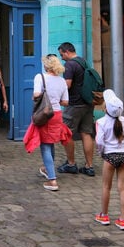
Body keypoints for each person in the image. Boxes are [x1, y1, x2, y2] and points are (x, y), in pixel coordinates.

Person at [22, 54, 72, 191]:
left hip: (44, 114)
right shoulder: (62, 81)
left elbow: (37, 95)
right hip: (56, 114)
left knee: (45, 146)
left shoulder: (40, 77)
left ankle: (52, 180)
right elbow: (66, 102)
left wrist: (37, 96)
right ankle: (46, 169)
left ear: (46, 65)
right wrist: (55, 100)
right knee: (50, 144)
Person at [94, 88, 124, 231]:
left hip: (109, 157)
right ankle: (123, 220)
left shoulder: (101, 122)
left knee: (106, 187)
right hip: (123, 156)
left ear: (105, 108)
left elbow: (99, 142)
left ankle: (104, 215)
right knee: (122, 188)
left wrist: (102, 153)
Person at [55, 42, 96, 176]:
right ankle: (89, 166)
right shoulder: (83, 61)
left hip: (74, 104)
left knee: (67, 134)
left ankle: (71, 164)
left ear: (67, 52)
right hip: (88, 103)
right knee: (86, 133)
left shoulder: (70, 65)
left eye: (62, 55)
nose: (62, 58)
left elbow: (67, 84)